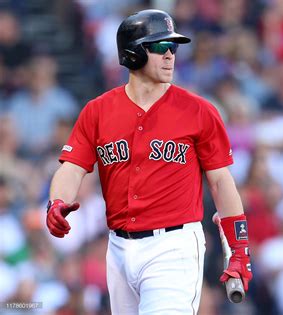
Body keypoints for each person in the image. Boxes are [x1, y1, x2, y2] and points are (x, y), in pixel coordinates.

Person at [45, 9, 252, 314]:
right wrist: (56, 201)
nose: (170, 55)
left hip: (174, 245)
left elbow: (221, 181)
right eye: (159, 47)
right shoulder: (98, 111)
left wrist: (239, 250)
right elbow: (72, 168)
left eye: (173, 47)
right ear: (132, 53)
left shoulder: (199, 111)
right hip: (117, 248)